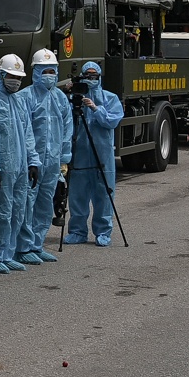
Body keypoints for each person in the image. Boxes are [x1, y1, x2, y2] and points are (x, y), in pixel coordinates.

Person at [0, 53, 37, 272]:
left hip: (21, 165)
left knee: (17, 209)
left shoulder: (18, 100)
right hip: (4, 167)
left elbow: (28, 133)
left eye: (19, 77)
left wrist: (33, 161)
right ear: (1, 75)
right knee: (0, 212)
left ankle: (8, 252)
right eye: (11, 76)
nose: (15, 81)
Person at [63, 60, 125, 246]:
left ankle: (103, 232)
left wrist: (96, 109)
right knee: (77, 195)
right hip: (80, 154)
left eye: (94, 76)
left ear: (99, 77)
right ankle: (77, 231)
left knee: (104, 194)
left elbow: (112, 121)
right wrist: (68, 93)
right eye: (87, 76)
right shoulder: (74, 98)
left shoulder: (110, 98)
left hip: (102, 155)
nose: (91, 79)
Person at [19, 50, 68, 264]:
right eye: (45, 71)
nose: (49, 75)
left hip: (53, 161)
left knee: (45, 202)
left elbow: (67, 129)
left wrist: (64, 158)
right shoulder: (25, 97)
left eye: (52, 71)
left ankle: (37, 244)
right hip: (32, 162)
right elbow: (24, 132)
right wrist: (31, 159)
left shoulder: (60, 98)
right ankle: (22, 247)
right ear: (36, 72)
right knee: (27, 204)